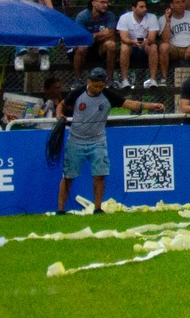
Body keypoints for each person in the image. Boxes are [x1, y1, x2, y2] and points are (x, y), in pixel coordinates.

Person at [55, 68, 162, 213]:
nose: (98, 89)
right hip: (76, 140)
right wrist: (59, 114)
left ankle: (98, 208)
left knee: (99, 175)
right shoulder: (78, 93)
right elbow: (61, 104)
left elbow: (130, 104)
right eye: (95, 85)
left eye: (101, 86)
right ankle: (60, 209)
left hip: (98, 140)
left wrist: (151, 106)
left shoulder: (108, 96)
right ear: (89, 82)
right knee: (68, 176)